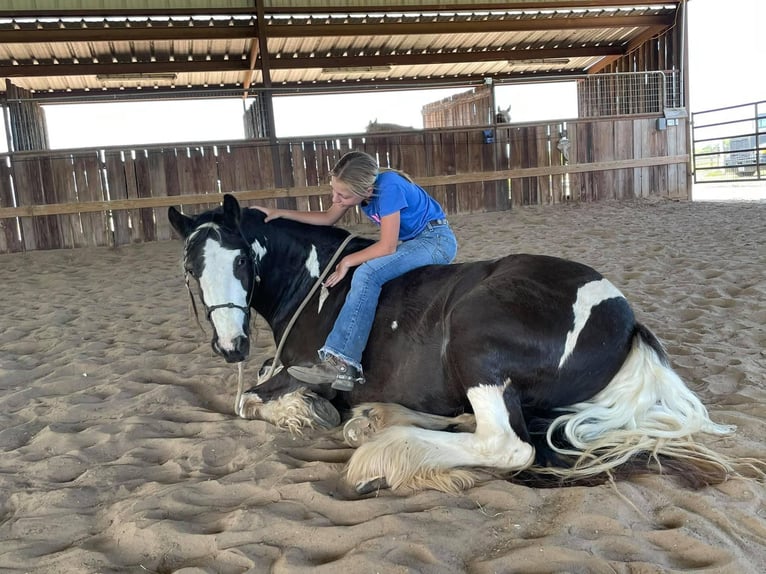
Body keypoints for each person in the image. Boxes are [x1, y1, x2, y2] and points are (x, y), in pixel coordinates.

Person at [255, 150, 458, 392]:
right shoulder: (361, 189)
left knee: (367, 273)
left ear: (367, 192)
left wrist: (348, 261)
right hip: (415, 242)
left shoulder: (390, 187)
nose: (336, 198)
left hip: (435, 241)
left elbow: (387, 246)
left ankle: (343, 362)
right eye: (334, 191)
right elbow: (328, 217)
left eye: (343, 195)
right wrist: (282, 214)